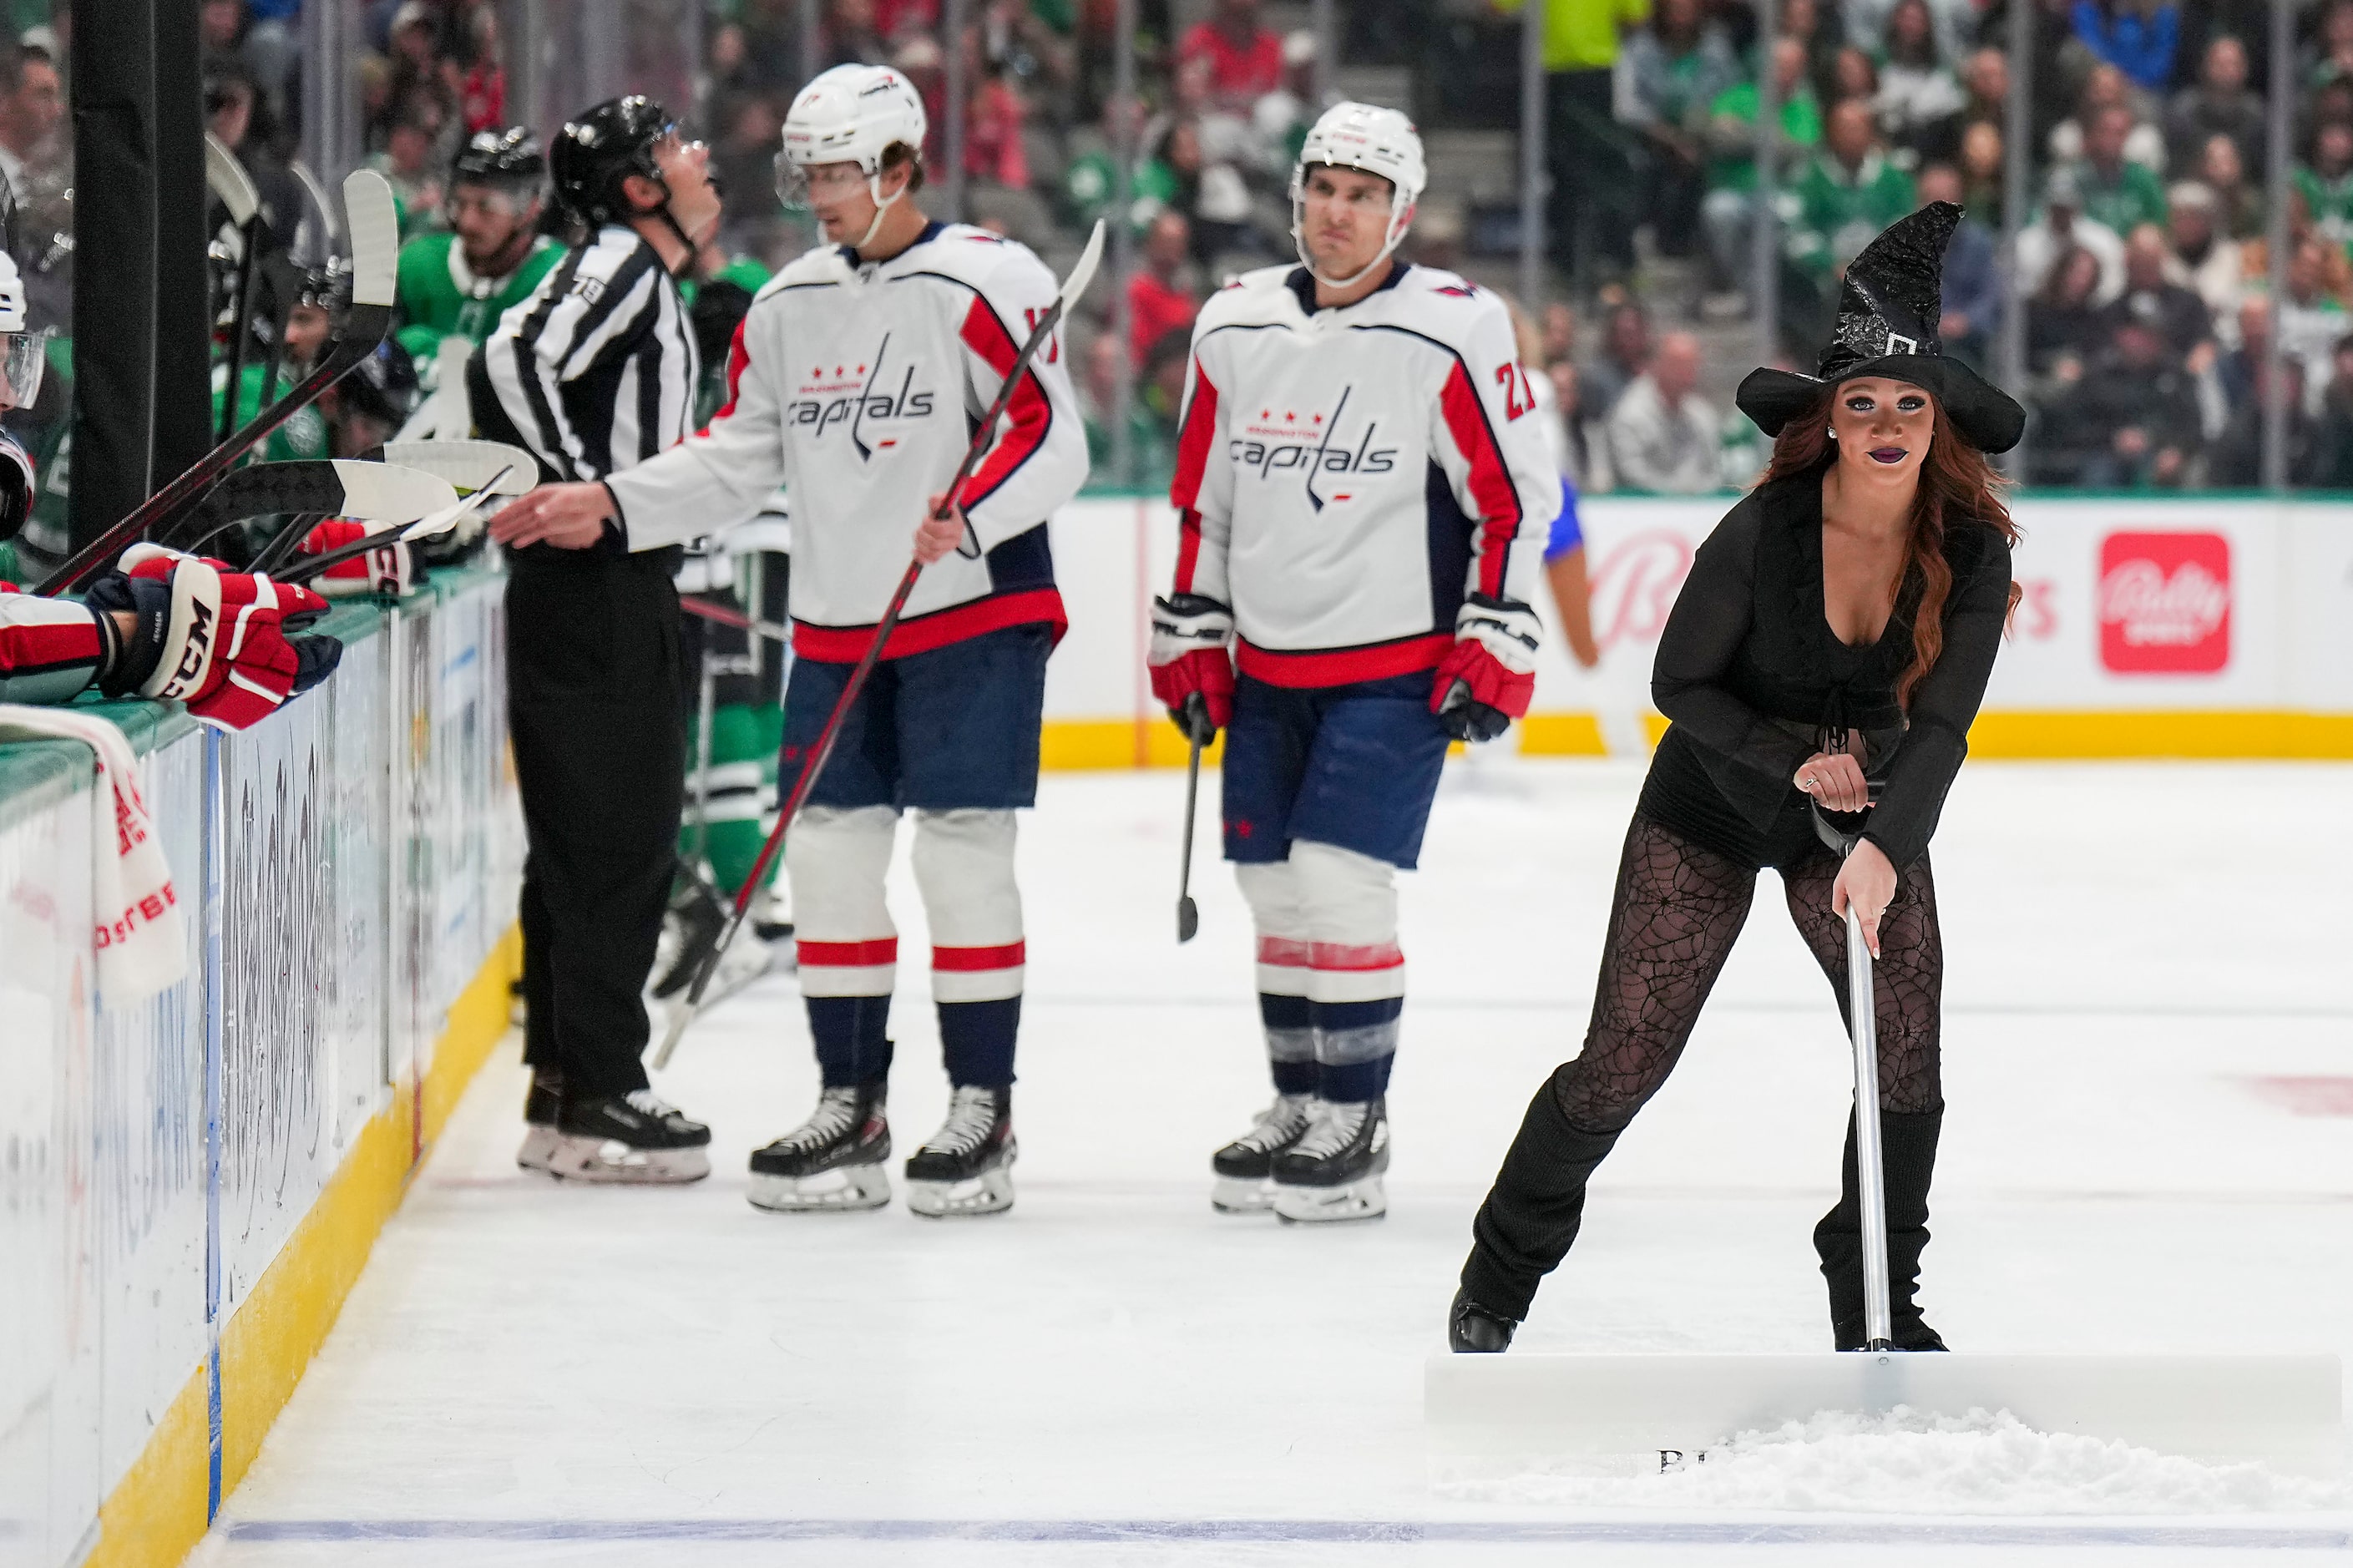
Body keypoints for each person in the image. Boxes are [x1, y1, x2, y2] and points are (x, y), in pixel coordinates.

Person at [490, 63, 1088, 1219]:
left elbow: (1047, 439)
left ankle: (980, 1104)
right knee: (826, 859)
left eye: (838, 174)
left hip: (970, 618)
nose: (816, 196)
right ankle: (849, 1100)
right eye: (805, 174)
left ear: (900, 167)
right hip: (834, 625)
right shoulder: (784, 305)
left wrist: (973, 511)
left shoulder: (988, 280)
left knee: (960, 858)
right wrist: (609, 502)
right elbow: (733, 458)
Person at [1450, 202, 2022, 1354]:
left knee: (1905, 1053)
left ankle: (1873, 1287)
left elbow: (1946, 725)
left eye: (1908, 405)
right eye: (1860, 404)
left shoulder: (1971, 548)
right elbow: (1679, 684)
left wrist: (1879, 847)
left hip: (1863, 811)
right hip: (1711, 795)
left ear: (1938, 423)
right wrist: (1786, 757)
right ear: (1826, 421)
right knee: (1622, 1062)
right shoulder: (1761, 528)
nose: (1885, 425)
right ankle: (1501, 1264)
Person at [1146, 102, 1558, 1224]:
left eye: (1363, 194)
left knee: (1340, 881)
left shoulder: (1454, 329)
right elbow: (1202, 498)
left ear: (1402, 212)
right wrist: (1189, 623)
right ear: (1296, 197)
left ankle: (1357, 1119)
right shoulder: (1231, 324)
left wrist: (1496, 630)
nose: (1337, 211)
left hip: (1397, 663)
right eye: (1323, 188)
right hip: (1271, 660)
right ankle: (1299, 1101)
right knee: (1271, 885)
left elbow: (1514, 499)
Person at [471, 96, 724, 1185]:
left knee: (585, 841)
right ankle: (606, 1089)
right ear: (635, 186)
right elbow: (510, 354)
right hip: (599, 585)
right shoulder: (623, 262)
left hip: (594, 583)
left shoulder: (641, 272)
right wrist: (594, 485)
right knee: (621, 837)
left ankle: (568, 1090)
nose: (701, 160)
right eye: (676, 148)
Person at [393, 128, 562, 372]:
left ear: (531, 208)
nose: (467, 222)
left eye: (487, 206)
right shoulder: (415, 264)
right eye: (460, 203)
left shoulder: (559, 278)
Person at [1607, 330, 1721, 493]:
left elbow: (1715, 470)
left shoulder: (1703, 415)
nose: (1687, 373)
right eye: (1679, 365)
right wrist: (1677, 493)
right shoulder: (1630, 413)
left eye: (1692, 365)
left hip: (1698, 506)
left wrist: (1698, 492)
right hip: (1644, 508)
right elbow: (1631, 475)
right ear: (1658, 364)